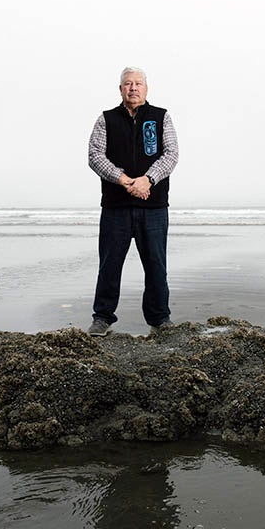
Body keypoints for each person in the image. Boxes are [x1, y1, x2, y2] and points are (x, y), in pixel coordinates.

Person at [87, 67, 179, 336]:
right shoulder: (106, 119)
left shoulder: (161, 117)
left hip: (153, 207)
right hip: (116, 207)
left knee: (156, 265)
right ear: (120, 89)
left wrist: (147, 180)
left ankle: (160, 318)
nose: (133, 88)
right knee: (109, 265)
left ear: (146, 88)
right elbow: (95, 156)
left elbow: (171, 155)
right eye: (128, 84)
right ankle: (102, 317)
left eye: (138, 83)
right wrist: (124, 180)